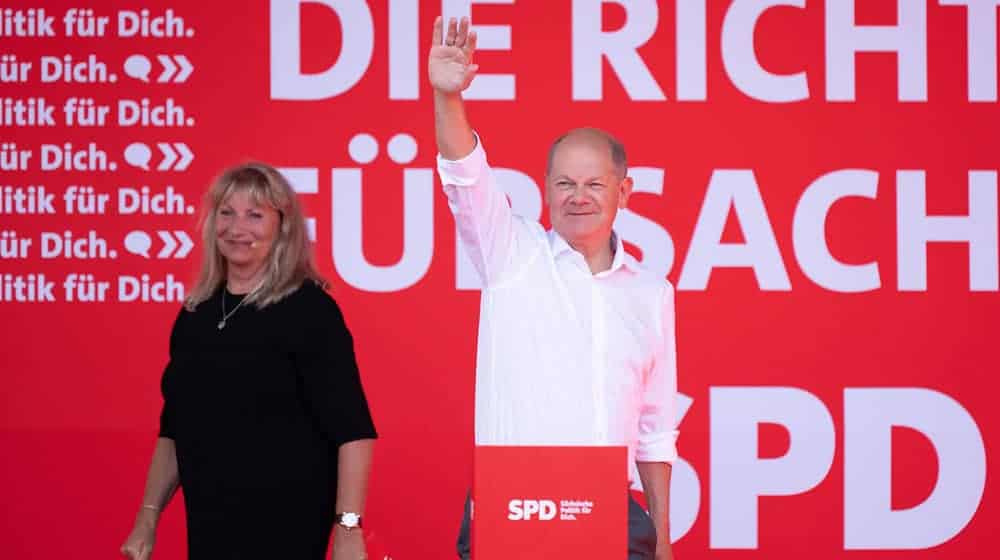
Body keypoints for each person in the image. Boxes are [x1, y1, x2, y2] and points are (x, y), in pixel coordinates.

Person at [429, 16, 679, 560]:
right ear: (545, 189)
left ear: (624, 192)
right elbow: (465, 175)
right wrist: (448, 98)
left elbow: (655, 427)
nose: (578, 196)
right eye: (565, 183)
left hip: (612, 516)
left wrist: (662, 537)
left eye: (594, 184)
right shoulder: (510, 254)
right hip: (512, 509)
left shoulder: (651, 293)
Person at [120, 163, 377, 560]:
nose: (237, 228)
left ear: (283, 226)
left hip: (287, 523)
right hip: (210, 523)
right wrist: (147, 518)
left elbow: (353, 430)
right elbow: (174, 429)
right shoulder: (196, 315)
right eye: (227, 212)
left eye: (255, 215)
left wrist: (347, 529)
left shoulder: (309, 310)